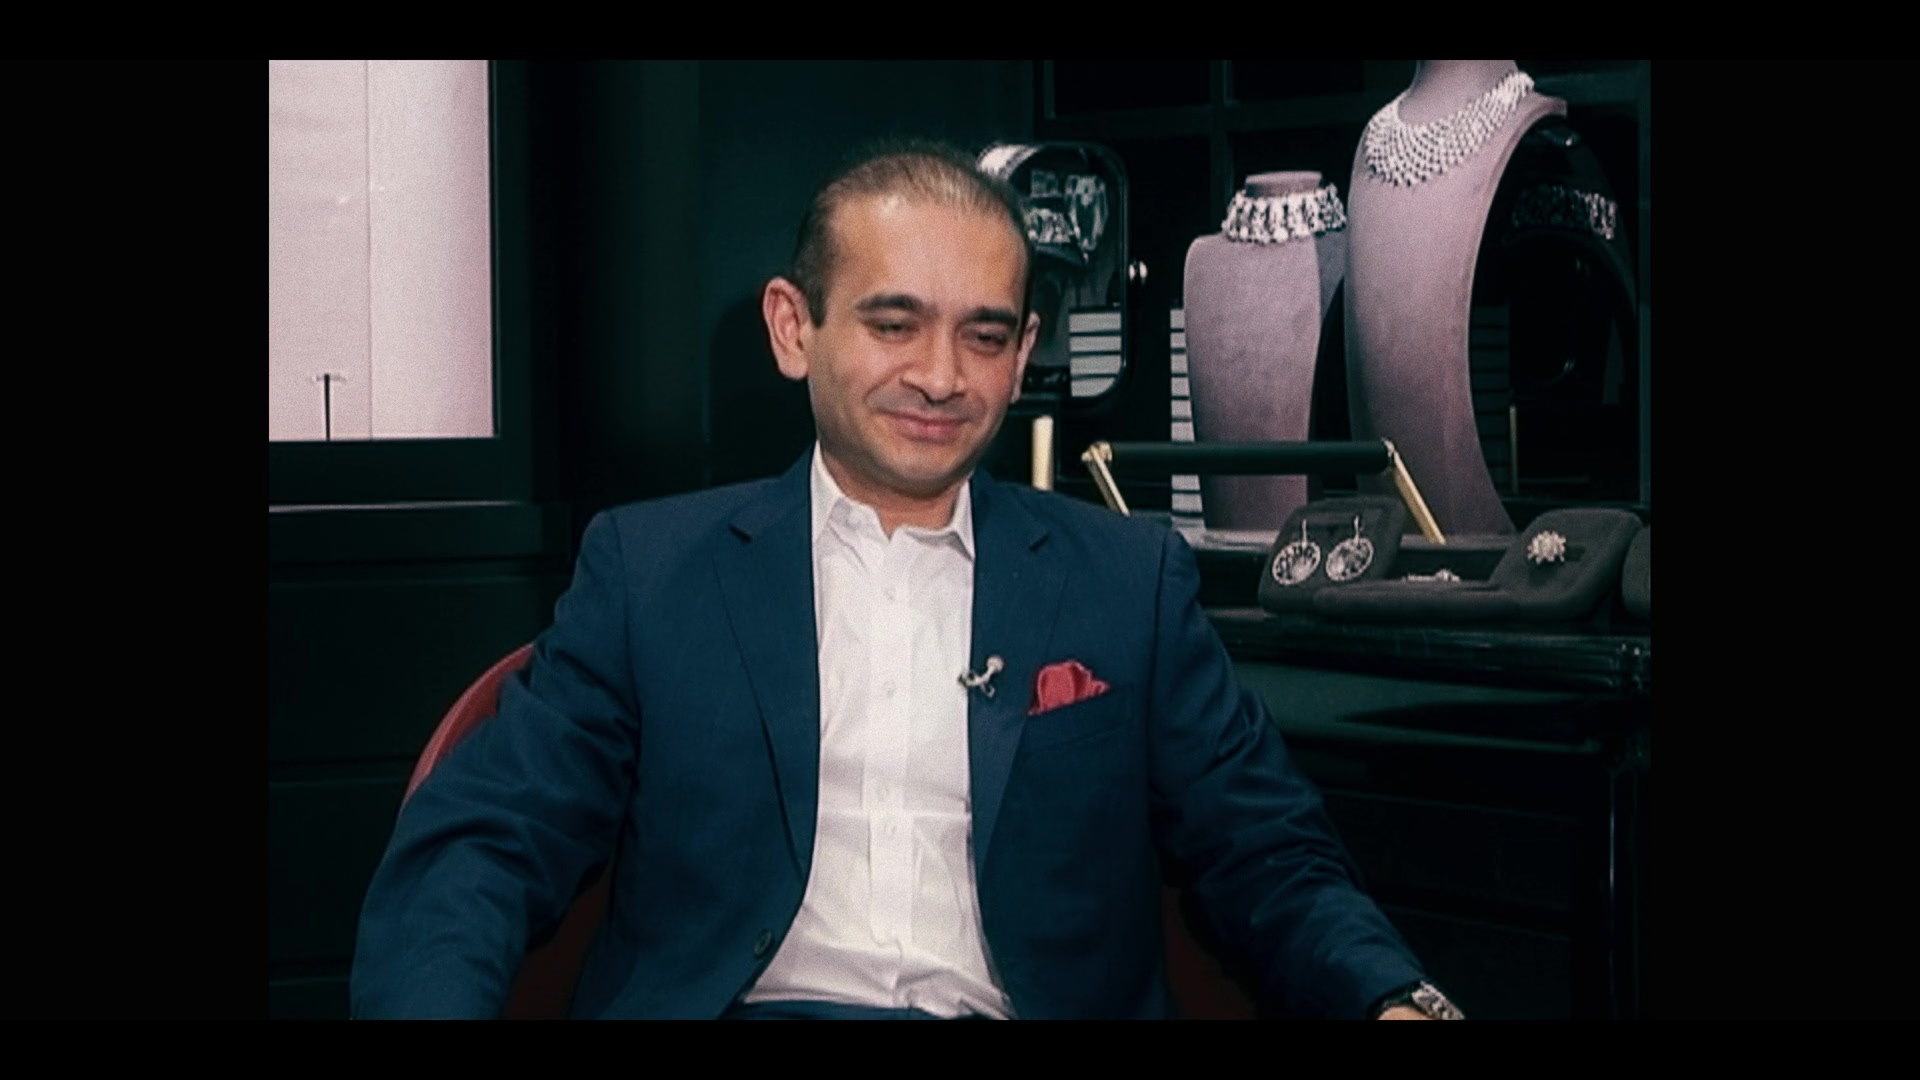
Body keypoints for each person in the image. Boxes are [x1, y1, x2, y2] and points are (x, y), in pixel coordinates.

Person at [350, 139, 1457, 1021]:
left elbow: (1267, 853)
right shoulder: (651, 573)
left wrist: (1393, 998)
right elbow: (486, 842)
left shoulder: (1130, 581)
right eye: (894, 324)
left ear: (1022, 354)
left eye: (984, 337)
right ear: (794, 328)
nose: (940, 376)